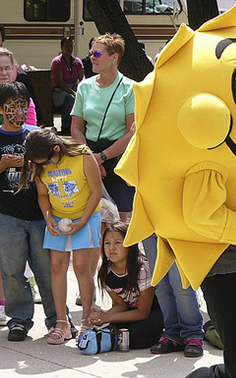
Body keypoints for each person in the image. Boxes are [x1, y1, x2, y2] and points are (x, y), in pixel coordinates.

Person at [19, 128, 102, 344]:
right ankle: (61, 323)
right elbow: (43, 195)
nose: (44, 166)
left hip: (85, 217)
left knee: (83, 267)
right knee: (56, 266)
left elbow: (96, 191)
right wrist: (48, 218)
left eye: (47, 162)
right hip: (57, 219)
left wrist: (82, 221)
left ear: (56, 149)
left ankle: (86, 320)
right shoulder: (39, 165)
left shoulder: (83, 155)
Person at [0, 81, 57, 341]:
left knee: (47, 268)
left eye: (23, 105)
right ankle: (19, 319)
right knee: (12, 269)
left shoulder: (36, 135)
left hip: (39, 215)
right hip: (7, 215)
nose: (19, 112)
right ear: (1, 109)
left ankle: (57, 319)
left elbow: (55, 166)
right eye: (12, 106)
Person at [70, 33, 135, 222]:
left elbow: (132, 132)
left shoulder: (130, 88)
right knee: (93, 221)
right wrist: (91, 159)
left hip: (117, 160)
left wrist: (102, 157)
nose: (91, 58)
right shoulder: (84, 87)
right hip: (87, 155)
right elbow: (76, 128)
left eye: (97, 54)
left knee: (121, 222)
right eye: (91, 53)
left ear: (114, 57)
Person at [87, 222, 163, 349]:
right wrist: (102, 316)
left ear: (130, 245)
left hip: (155, 310)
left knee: (135, 336)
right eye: (107, 243)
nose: (111, 248)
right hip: (133, 311)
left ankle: (165, 334)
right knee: (113, 329)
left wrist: (108, 317)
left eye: (118, 242)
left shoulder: (142, 269)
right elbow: (121, 304)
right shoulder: (106, 272)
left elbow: (143, 312)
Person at [145, 234, 205, 357]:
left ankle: (193, 333)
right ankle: (172, 333)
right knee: (160, 284)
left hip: (175, 227)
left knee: (181, 284)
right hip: (151, 227)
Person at [51, 37, 84, 135]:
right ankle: (66, 126)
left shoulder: (77, 61)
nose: (69, 48)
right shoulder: (57, 62)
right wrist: (73, 92)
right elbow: (60, 81)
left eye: (71, 46)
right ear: (61, 47)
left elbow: (81, 79)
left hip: (74, 88)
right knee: (70, 98)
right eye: (66, 46)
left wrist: (81, 90)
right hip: (59, 91)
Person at [0, 48, 37, 126]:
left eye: (7, 68)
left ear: (14, 69)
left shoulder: (24, 98)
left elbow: (30, 130)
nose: (4, 73)